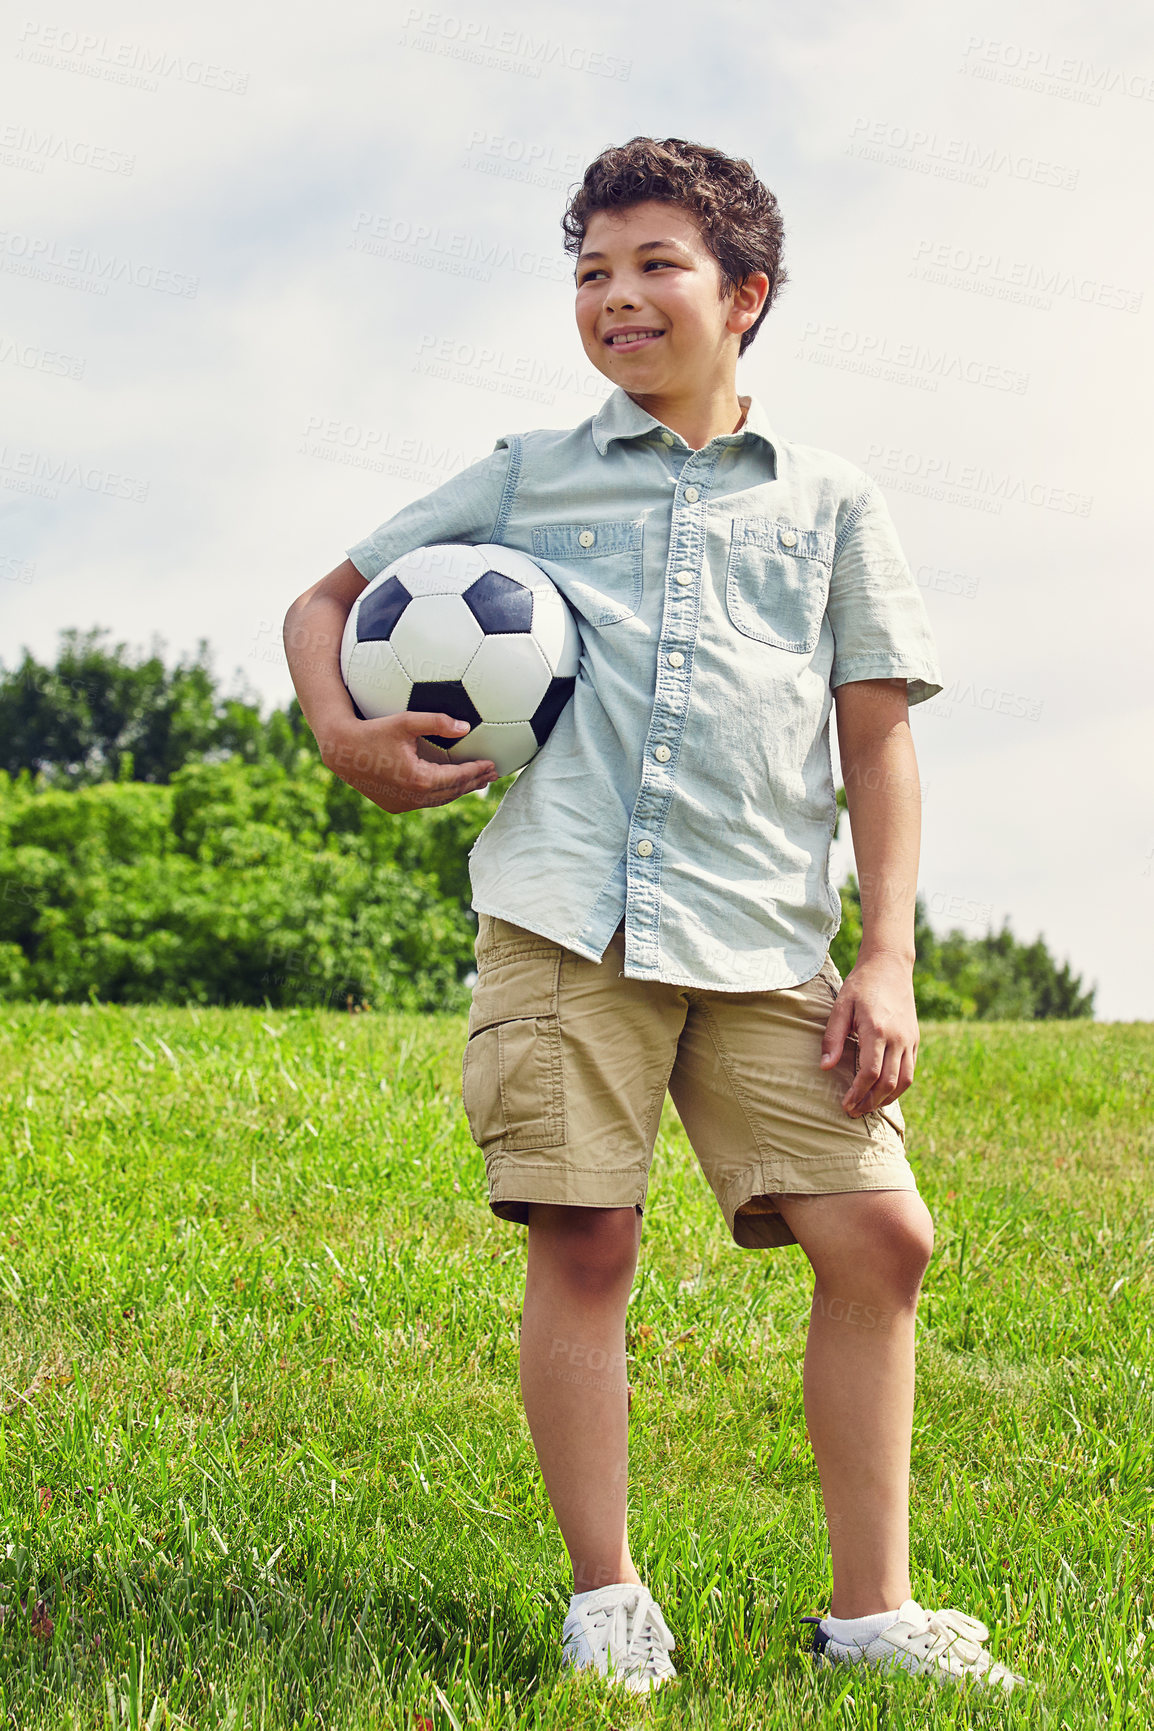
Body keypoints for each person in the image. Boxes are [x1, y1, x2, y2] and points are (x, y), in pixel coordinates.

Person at [283, 136, 1026, 1698]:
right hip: (570, 923)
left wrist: (883, 958)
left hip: (765, 939)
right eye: (589, 274)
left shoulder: (828, 503)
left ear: (744, 295)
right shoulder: (525, 474)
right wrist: (342, 733)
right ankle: (606, 1595)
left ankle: (869, 1611)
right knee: (587, 1234)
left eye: (651, 267)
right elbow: (324, 603)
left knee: (882, 1237)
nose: (615, 299)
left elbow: (875, 732)